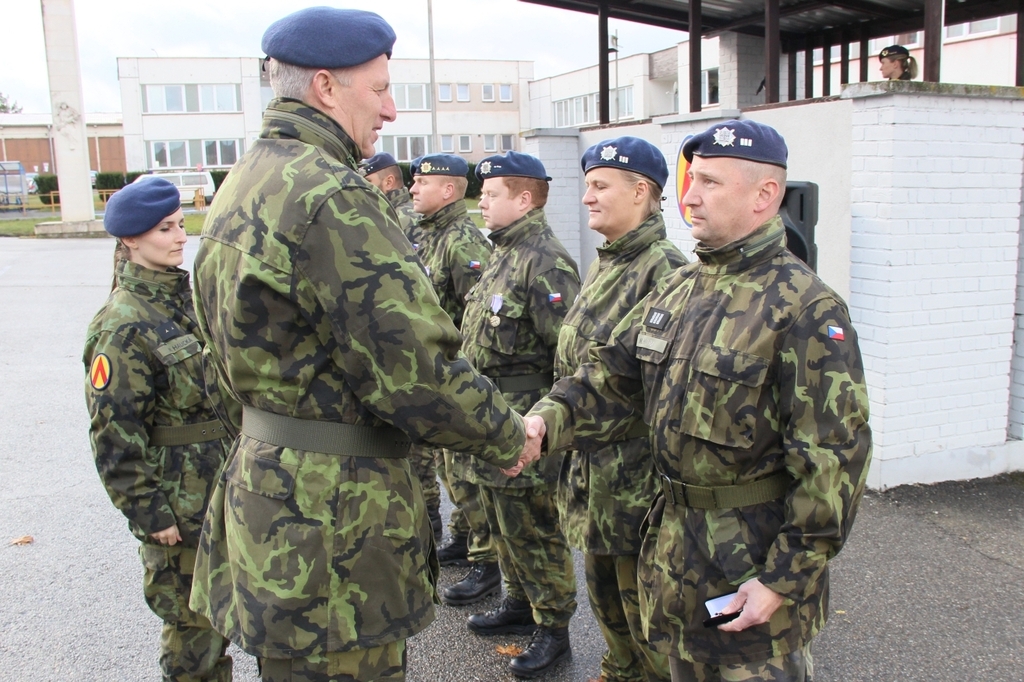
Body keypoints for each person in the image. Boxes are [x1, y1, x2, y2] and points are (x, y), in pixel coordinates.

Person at [187, 8, 533, 681]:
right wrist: (508, 436)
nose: (392, 110)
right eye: (377, 90)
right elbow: (417, 370)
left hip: (268, 493)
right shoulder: (330, 196)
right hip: (335, 524)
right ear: (324, 87)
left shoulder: (244, 181)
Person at [520, 120, 872, 682]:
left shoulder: (803, 306)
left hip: (748, 569)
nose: (688, 197)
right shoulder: (682, 288)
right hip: (673, 550)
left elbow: (834, 459)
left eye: (709, 182)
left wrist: (784, 578)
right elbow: (612, 375)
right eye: (690, 181)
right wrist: (544, 423)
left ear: (765, 195)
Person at [83, 177, 236, 682]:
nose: (179, 236)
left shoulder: (182, 301)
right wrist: (150, 512)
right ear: (130, 240)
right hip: (179, 504)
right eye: (164, 229)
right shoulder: (123, 325)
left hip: (220, 489)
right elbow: (114, 434)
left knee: (225, 616)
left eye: (178, 225)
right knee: (193, 636)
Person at [557, 137, 687, 682]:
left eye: (599, 185)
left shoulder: (666, 271)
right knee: (606, 602)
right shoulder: (607, 263)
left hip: (635, 481)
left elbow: (663, 390)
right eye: (587, 185)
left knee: (646, 617)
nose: (587, 197)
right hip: (593, 476)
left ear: (642, 192)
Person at [453, 150, 581, 678]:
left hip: (527, 424)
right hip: (494, 421)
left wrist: (546, 434)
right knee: (505, 525)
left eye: (492, 193)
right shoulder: (504, 251)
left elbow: (568, 358)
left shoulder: (544, 260)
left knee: (534, 528)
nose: (481, 200)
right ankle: (519, 603)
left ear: (524, 199)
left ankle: (554, 627)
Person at [410, 153, 500, 580]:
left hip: (457, 373)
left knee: (465, 474)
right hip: (437, 374)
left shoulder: (462, 241)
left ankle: (485, 558)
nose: (412, 189)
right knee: (451, 470)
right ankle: (466, 539)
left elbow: (475, 317)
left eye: (421, 183)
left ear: (448, 190)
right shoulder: (431, 235)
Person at [360, 151, 422, 248]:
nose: (363, 187)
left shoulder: (406, 219)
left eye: (368, 182)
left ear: (389, 182)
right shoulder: (383, 213)